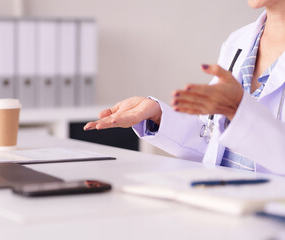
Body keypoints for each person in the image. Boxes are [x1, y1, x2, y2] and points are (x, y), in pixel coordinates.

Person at [84, 0, 285, 176]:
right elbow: (213, 145)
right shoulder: (238, 42)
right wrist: (157, 116)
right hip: (224, 205)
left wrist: (238, 110)